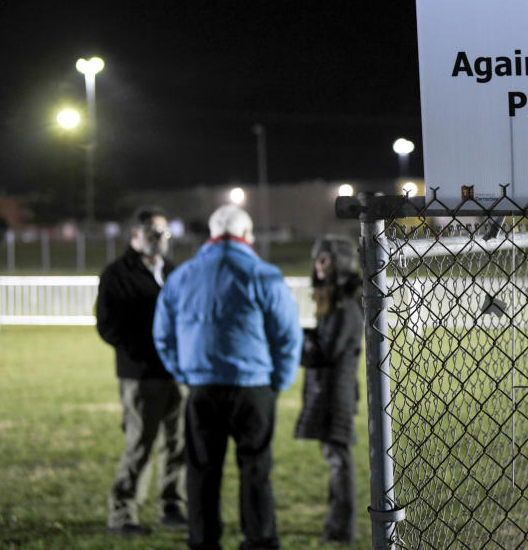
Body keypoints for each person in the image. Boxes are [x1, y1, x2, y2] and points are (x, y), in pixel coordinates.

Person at [153, 204, 302, 550]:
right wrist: (279, 379)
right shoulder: (263, 274)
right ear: (246, 235)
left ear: (211, 235)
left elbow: (162, 333)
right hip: (253, 386)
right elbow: (287, 334)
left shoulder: (182, 276)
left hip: (203, 386)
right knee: (255, 470)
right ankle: (259, 539)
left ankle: (203, 540)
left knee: (202, 471)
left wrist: (184, 372)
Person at [96, 205, 188, 536]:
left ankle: (172, 505)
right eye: (153, 232)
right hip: (140, 374)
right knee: (140, 445)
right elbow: (107, 325)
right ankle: (122, 514)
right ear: (135, 235)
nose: (160, 239)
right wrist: (140, 352)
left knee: (178, 444)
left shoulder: (173, 271)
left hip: (174, 372)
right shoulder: (117, 274)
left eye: (164, 232)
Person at [294, 235, 363, 544]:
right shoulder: (335, 301)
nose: (318, 265)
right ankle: (336, 525)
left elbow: (325, 352)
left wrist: (294, 339)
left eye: (325, 259)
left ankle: (342, 529)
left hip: (337, 392)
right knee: (334, 456)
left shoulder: (346, 306)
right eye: (317, 259)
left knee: (339, 458)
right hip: (331, 390)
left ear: (342, 263)